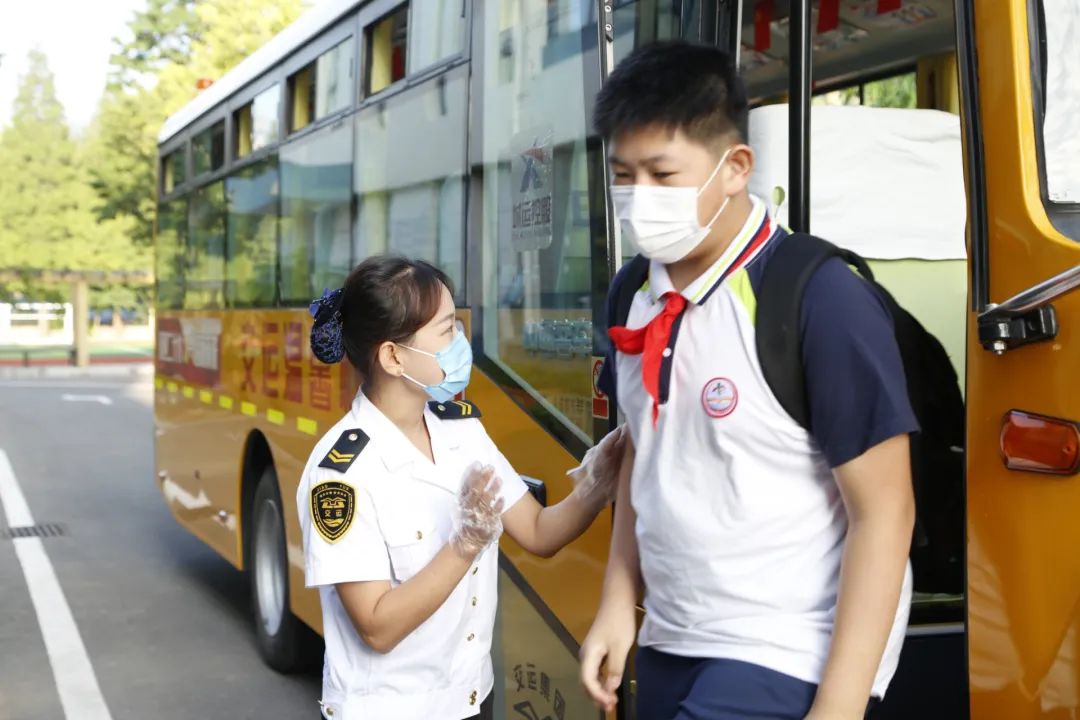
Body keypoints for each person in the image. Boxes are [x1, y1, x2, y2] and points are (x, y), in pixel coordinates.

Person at [579, 41, 916, 720]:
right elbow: (645, 450)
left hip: (788, 648)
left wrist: (839, 706)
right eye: (623, 175)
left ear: (735, 168)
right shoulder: (631, 292)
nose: (639, 199)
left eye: (662, 174)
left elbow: (886, 512)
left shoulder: (817, 300)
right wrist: (620, 600)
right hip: (676, 636)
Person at [298, 255, 624, 720]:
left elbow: (538, 531)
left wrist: (597, 481)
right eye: (448, 331)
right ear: (393, 356)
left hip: (472, 699)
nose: (461, 344)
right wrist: (465, 545)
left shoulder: (460, 430)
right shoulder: (341, 475)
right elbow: (377, 627)